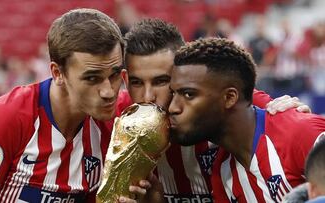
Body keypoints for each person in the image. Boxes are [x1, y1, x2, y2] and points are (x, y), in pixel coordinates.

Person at [115, 19, 311, 203]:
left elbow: (287, 122)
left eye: (161, 81)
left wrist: (293, 114)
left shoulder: (229, 102)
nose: (148, 97)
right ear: (125, 81)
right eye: (137, 82)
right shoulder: (116, 116)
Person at [0, 8, 124, 202]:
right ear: (57, 73)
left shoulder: (114, 126)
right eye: (92, 78)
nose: (108, 92)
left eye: (115, 75)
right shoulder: (9, 116)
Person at [168, 37, 325, 203]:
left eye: (188, 94)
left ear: (229, 97)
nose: (173, 107)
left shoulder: (298, 132)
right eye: (173, 94)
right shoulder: (222, 176)